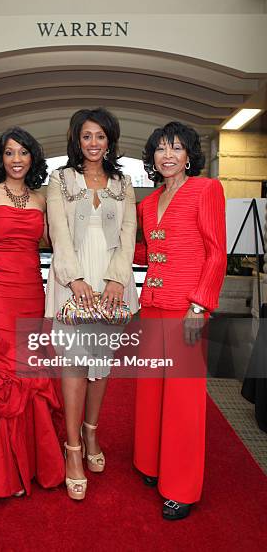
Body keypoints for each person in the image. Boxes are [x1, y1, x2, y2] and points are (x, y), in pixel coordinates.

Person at [0, 127, 65, 498]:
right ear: (0, 158)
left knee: (29, 369)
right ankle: (1, 469)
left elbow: (59, 242)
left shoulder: (41, 200)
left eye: (23, 152)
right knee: (3, 369)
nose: (16, 159)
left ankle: (30, 462)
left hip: (29, 291)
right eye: (9, 152)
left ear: (32, 158)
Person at [133, 121, 226, 520]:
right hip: (152, 305)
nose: (167, 155)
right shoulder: (147, 202)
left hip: (185, 308)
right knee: (152, 390)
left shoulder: (207, 190)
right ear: (152, 157)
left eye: (176, 147)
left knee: (184, 401)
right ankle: (151, 464)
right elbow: (150, 251)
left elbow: (216, 253)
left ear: (190, 155)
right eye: (160, 148)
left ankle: (182, 487)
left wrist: (199, 307)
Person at [45, 108, 139, 500]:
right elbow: (58, 232)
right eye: (87, 136)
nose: (94, 143)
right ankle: (72, 449)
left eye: (101, 136)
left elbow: (130, 231)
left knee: (100, 365)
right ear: (76, 140)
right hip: (73, 284)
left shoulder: (123, 182)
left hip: (111, 286)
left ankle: (91, 432)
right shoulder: (60, 180)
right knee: (74, 365)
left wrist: (118, 279)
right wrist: (76, 278)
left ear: (110, 140)